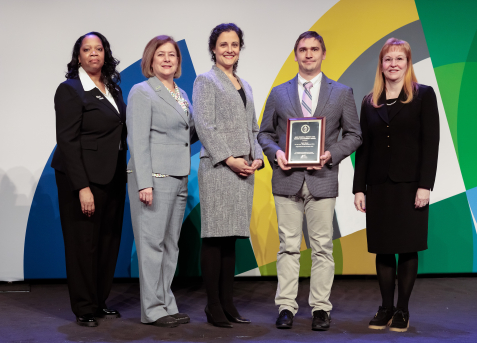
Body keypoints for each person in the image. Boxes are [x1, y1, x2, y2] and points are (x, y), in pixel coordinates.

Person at [258, 31, 362, 331]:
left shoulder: (341, 92)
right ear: (295, 55)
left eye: (314, 49)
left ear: (323, 54)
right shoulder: (279, 93)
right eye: (303, 49)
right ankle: (287, 307)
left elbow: (354, 135)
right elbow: (264, 133)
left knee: (322, 248)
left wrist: (330, 154)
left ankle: (320, 308)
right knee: (288, 247)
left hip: (323, 179)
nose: (308, 54)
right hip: (286, 179)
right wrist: (276, 153)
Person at [353, 37, 440, 332]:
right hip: (378, 187)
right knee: (384, 249)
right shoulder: (369, 102)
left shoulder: (423, 95)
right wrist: (358, 188)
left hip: (411, 186)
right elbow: (363, 150)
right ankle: (385, 307)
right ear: (381, 64)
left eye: (398, 59)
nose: (393, 64)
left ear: (407, 63)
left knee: (407, 247)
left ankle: (402, 309)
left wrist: (425, 185)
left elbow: (431, 144)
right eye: (388, 59)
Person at [52, 32, 126, 327]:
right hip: (82, 178)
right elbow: (67, 141)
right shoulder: (70, 89)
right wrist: (82, 187)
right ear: (79, 56)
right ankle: (83, 306)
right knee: (83, 242)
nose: (94, 53)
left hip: (113, 175)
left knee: (107, 241)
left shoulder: (113, 89)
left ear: (105, 54)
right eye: (87, 49)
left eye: (99, 49)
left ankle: (98, 300)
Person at [193, 23, 263, 328]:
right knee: (214, 237)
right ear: (213, 48)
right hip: (219, 169)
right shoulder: (205, 81)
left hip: (244, 171)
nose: (229, 50)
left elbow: (254, 129)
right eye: (223, 44)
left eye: (234, 44)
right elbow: (204, 126)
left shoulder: (245, 85)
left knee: (231, 239)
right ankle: (213, 306)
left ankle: (228, 302)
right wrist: (231, 159)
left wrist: (257, 158)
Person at [126, 35, 197, 328]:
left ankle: (167, 303)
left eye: (172, 55)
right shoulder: (142, 91)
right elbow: (137, 140)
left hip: (179, 176)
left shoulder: (181, 93)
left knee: (170, 246)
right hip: (154, 178)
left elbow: (186, 134)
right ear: (150, 60)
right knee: (152, 245)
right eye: (161, 55)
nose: (167, 59)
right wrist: (145, 183)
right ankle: (152, 310)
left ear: (178, 62)